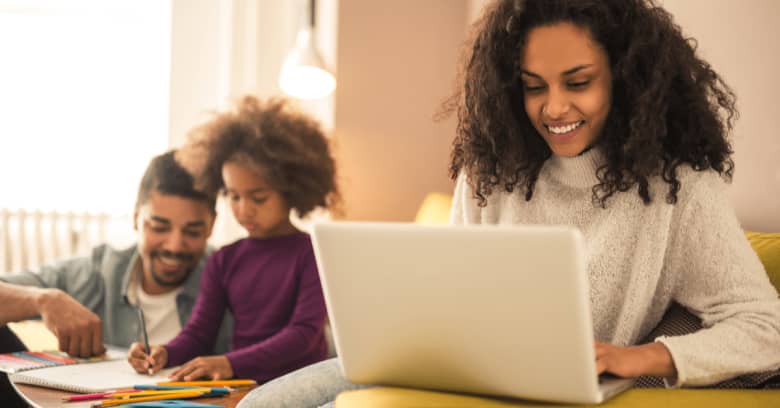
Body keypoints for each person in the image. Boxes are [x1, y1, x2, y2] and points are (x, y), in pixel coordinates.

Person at [236, 0, 780, 406]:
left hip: (541, 392)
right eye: (533, 86)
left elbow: (765, 327)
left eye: (579, 82)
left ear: (627, 78)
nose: (554, 107)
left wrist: (640, 357)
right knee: (261, 404)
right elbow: (455, 290)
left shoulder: (678, 190)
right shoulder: (489, 172)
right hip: (452, 370)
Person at [127, 96, 340, 385]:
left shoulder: (312, 254)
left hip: (302, 383)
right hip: (243, 384)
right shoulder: (224, 260)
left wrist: (229, 362)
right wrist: (165, 352)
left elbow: (303, 335)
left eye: (258, 197)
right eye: (233, 195)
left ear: (292, 189)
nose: (243, 209)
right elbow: (200, 332)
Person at [0, 150, 233, 403]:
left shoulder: (233, 276)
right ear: (136, 218)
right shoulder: (95, 273)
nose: (174, 246)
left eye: (193, 231)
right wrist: (43, 300)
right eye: (159, 227)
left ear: (211, 225)